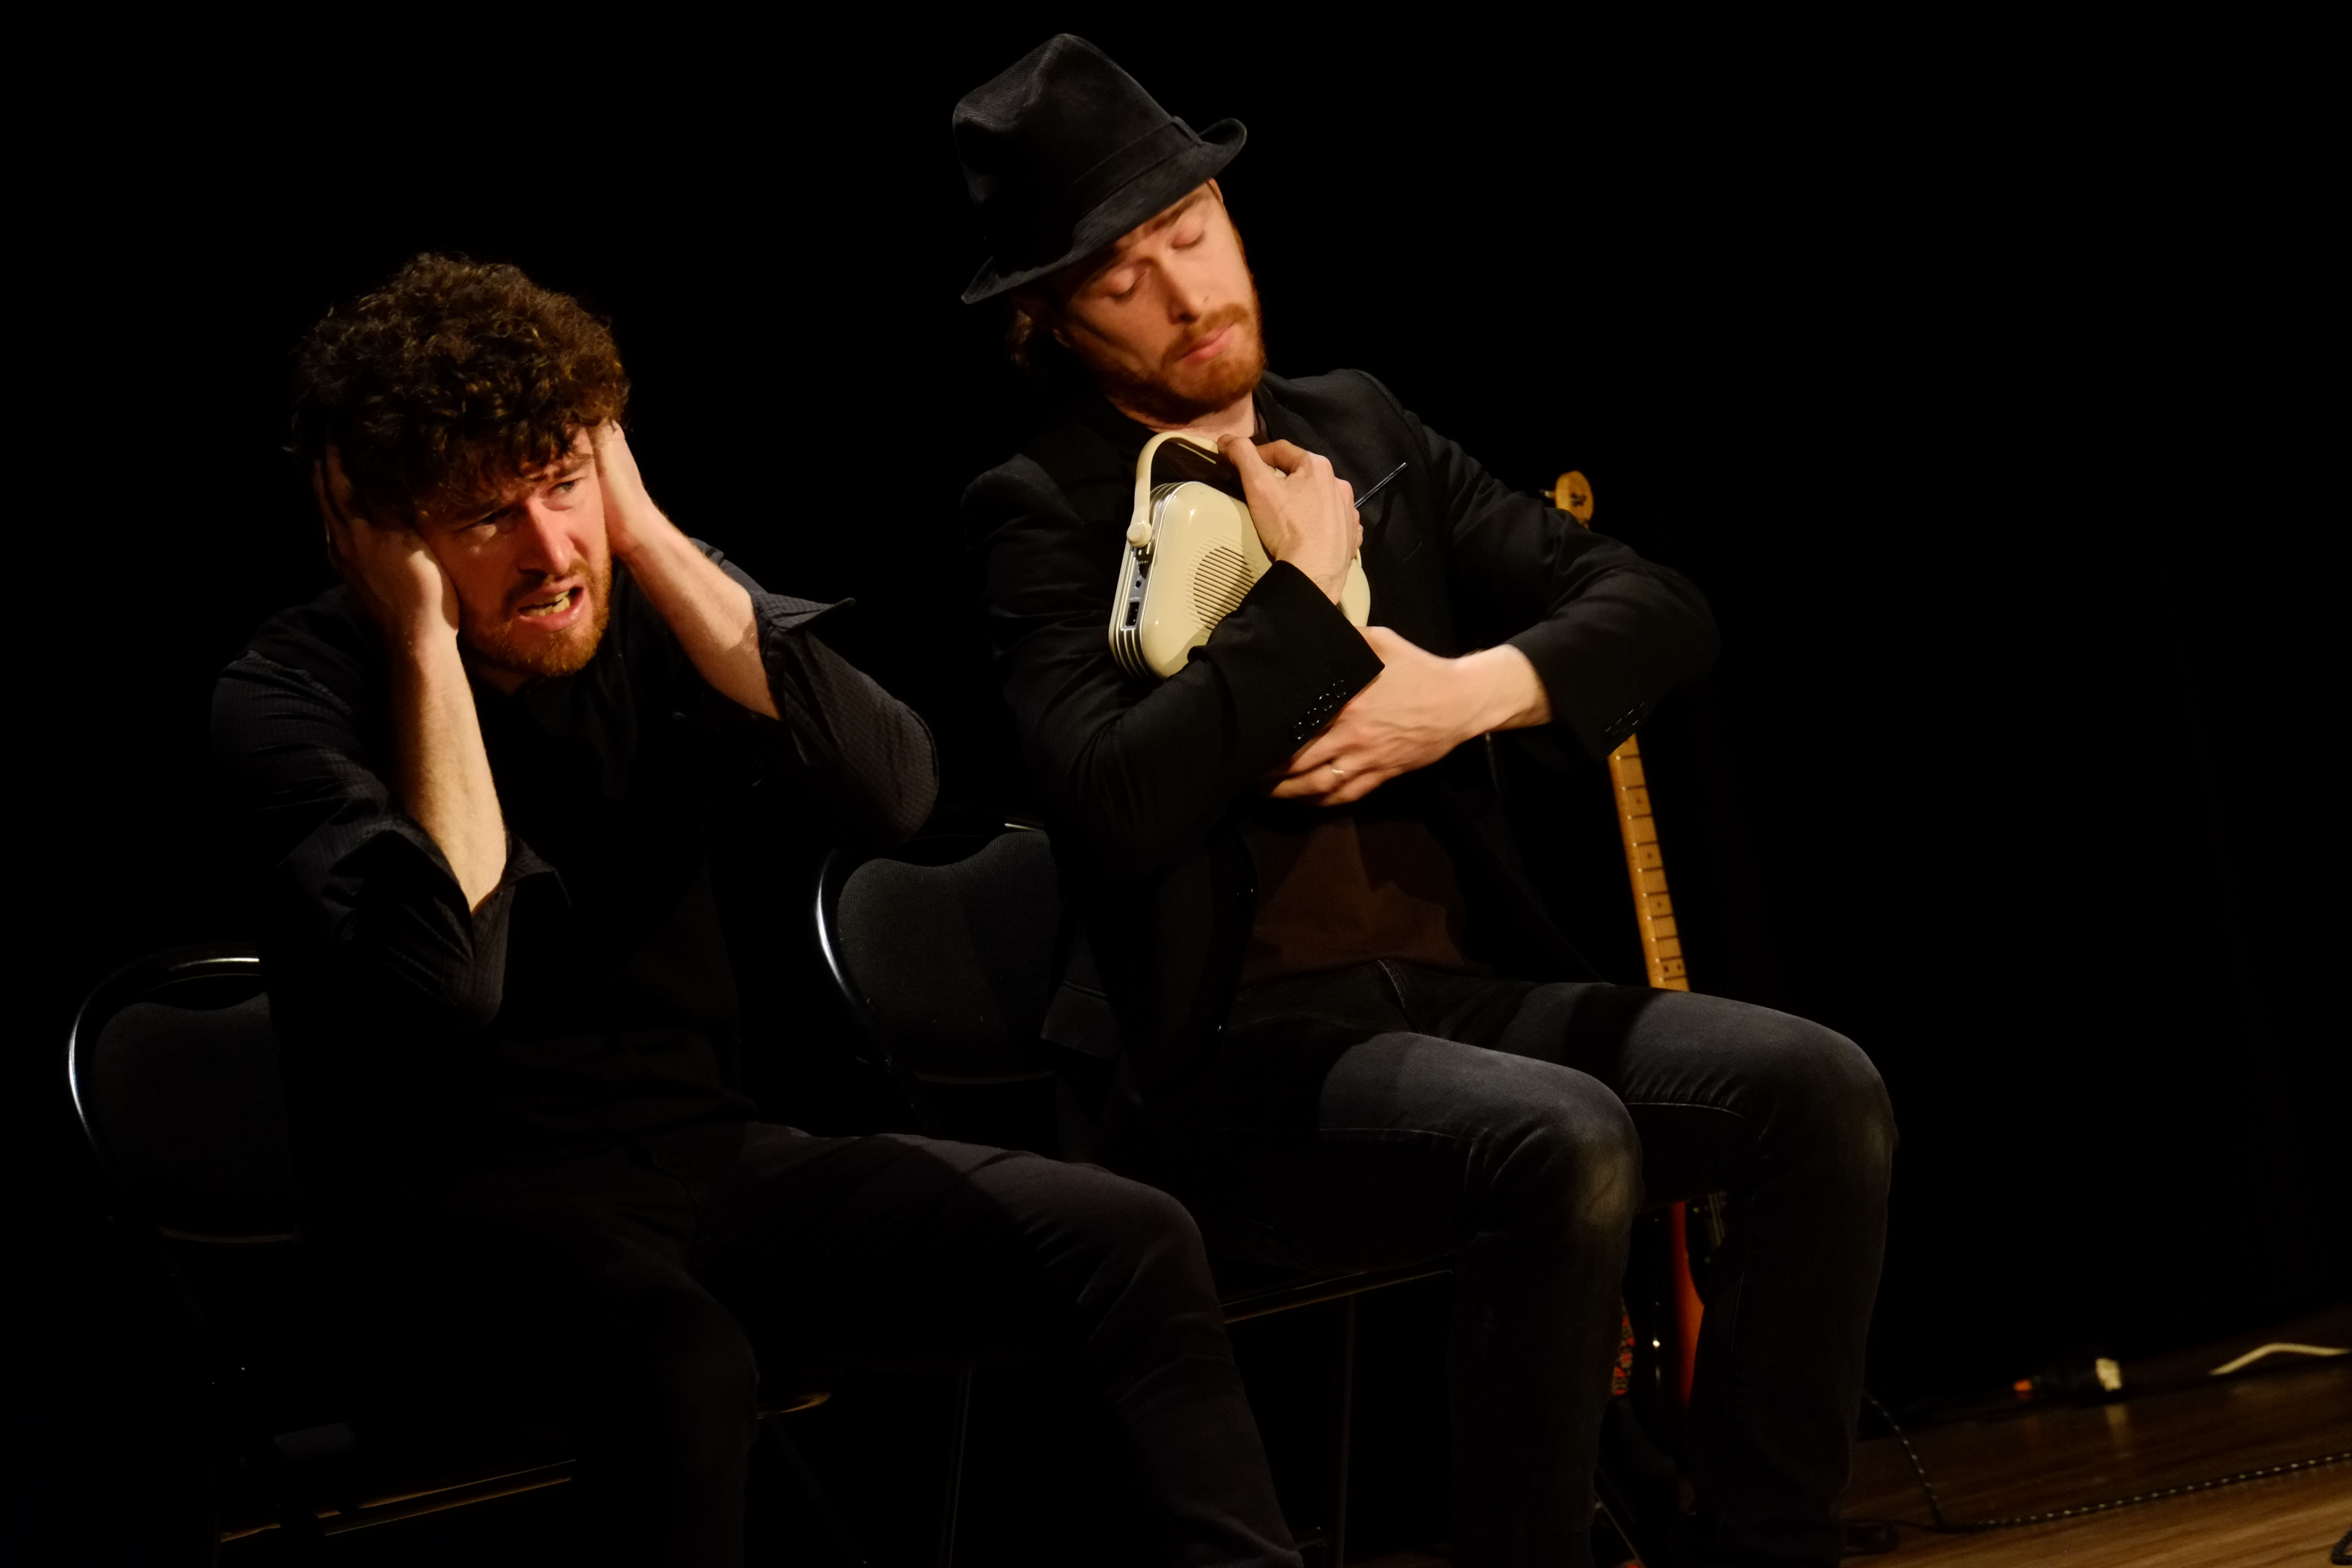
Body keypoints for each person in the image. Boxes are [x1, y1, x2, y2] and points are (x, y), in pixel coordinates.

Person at [954, 37, 1897, 1568]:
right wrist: (1308, 602)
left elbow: (1656, 606)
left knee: (1821, 1093)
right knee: (1563, 1141)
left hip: (1459, 1001)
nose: (1188, 292)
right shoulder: (1040, 511)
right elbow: (1113, 802)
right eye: (1124, 276)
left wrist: (1471, 693)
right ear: (1050, 321)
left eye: (1193, 230)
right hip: (1230, 1056)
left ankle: (1760, 1542)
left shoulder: (1361, 429)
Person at [211, 255, 1302, 1567]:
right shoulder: (290, 697)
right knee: (685, 1366)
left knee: (1129, 1239)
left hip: (700, 1169)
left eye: (564, 482)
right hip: (442, 1250)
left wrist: (647, 535)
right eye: (487, 515)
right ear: (378, 535)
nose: (552, 552)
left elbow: (895, 796)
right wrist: (426, 644)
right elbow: (451, 986)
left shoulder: (648, 596)